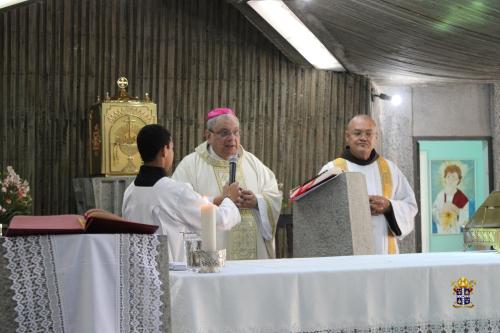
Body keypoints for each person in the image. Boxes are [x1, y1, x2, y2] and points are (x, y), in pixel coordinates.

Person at [172, 107, 282, 260]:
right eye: (224, 133)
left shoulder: (253, 163)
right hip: (211, 257)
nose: (232, 138)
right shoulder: (190, 166)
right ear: (208, 136)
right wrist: (220, 200)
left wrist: (257, 202)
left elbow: (274, 195)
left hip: (253, 259)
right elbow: (179, 204)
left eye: (236, 132)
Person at [122, 124, 241, 262]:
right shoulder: (175, 191)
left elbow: (182, 205)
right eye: (172, 148)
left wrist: (215, 200)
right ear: (164, 151)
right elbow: (220, 220)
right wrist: (230, 199)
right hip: (171, 275)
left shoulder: (130, 190)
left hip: (140, 272)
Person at [319, 115, 418, 254]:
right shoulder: (332, 170)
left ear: (375, 138)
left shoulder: (390, 169)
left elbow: (410, 205)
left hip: (384, 254)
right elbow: (319, 210)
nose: (363, 138)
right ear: (347, 137)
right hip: (346, 254)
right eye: (357, 133)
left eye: (369, 133)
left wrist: (389, 206)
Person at [432, 164, 469, 234]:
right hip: (441, 232)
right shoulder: (440, 195)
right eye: (448, 177)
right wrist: (441, 211)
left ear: (458, 180)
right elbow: (433, 212)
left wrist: (456, 209)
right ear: (445, 179)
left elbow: (466, 221)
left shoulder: (462, 198)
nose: (450, 180)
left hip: (455, 232)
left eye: (454, 177)